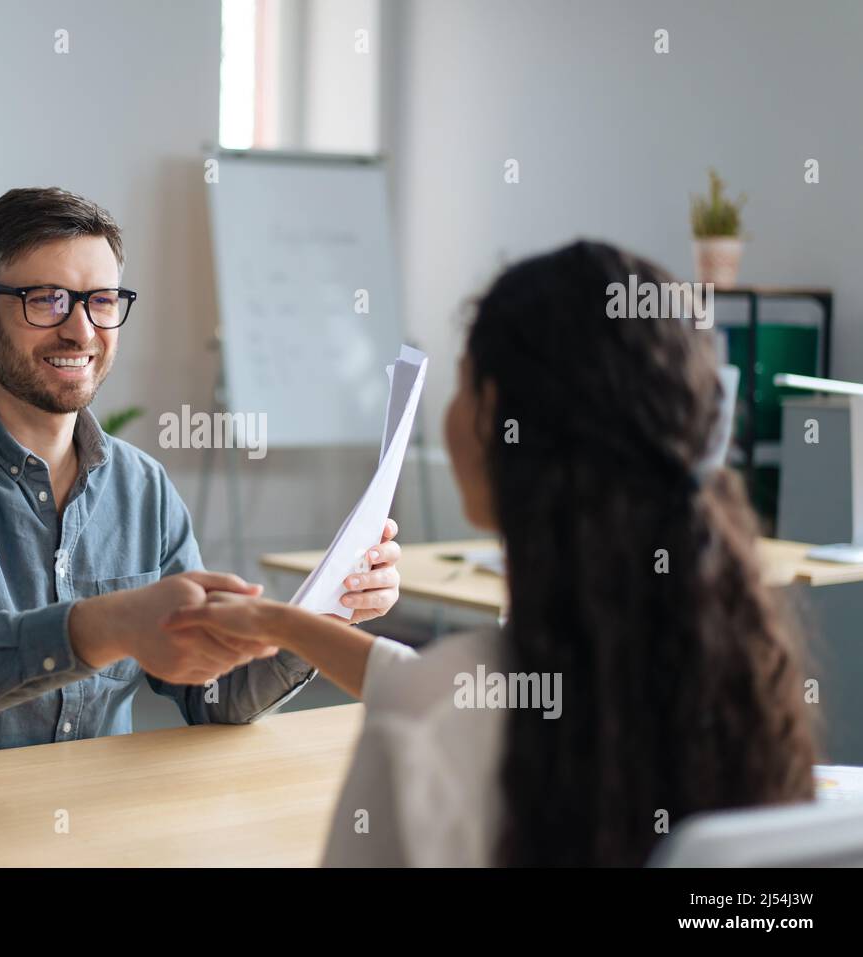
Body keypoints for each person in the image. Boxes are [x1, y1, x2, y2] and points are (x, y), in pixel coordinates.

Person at [163, 240, 818, 866]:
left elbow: (438, 698)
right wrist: (281, 624)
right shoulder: (744, 668)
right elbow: (426, 681)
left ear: (494, 415)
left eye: (463, 379)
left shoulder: (428, 728)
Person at [0, 187, 403, 768]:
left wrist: (324, 615)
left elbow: (212, 697)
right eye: (47, 300)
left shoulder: (143, 488)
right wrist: (103, 627)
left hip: (87, 821)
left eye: (101, 301)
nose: (81, 331)